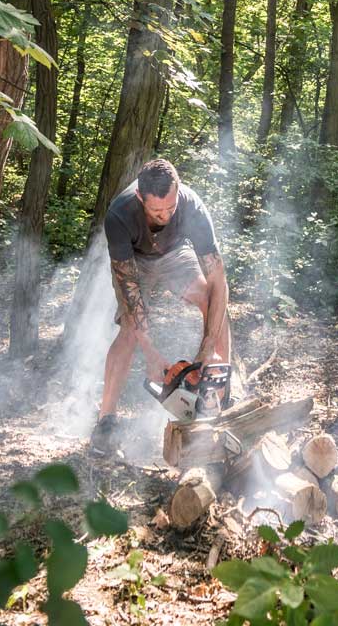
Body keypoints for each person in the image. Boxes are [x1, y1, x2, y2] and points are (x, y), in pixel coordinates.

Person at [90, 158, 230, 453]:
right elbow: (130, 294)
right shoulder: (120, 215)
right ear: (141, 197)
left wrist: (209, 347)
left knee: (211, 300)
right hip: (134, 261)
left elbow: (219, 280)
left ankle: (221, 392)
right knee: (129, 329)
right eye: (157, 210)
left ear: (178, 191)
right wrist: (151, 355)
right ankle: (105, 423)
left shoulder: (192, 206)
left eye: (171, 207)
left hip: (175, 254)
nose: (165, 215)